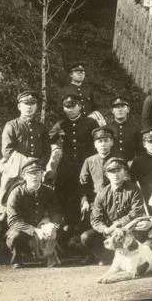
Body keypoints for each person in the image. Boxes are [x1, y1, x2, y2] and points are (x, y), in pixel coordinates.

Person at [0, 90, 57, 266]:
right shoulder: (12, 125)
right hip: (15, 173)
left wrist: (38, 167)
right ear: (19, 106)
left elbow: (47, 150)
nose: (29, 107)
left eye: (32, 104)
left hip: (34, 173)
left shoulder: (41, 127)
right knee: (5, 208)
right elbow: (7, 151)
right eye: (26, 104)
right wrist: (27, 164)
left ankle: (33, 249)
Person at [48, 94, 97, 245]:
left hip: (86, 166)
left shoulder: (91, 122)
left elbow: (100, 141)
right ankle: (67, 234)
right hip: (67, 169)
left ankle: (83, 234)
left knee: (86, 198)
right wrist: (56, 135)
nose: (70, 109)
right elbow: (47, 139)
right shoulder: (61, 124)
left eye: (73, 105)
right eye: (66, 106)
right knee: (66, 199)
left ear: (80, 106)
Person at [80, 157, 145, 264]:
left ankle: (128, 258)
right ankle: (107, 258)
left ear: (124, 172)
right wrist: (105, 229)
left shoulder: (133, 189)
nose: (115, 174)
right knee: (86, 237)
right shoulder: (102, 194)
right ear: (107, 175)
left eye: (118, 170)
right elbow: (96, 219)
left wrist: (118, 224)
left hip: (129, 229)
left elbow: (136, 212)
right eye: (111, 171)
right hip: (109, 232)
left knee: (139, 235)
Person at [5, 161, 63, 268]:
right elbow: (13, 220)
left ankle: (48, 255)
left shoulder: (49, 192)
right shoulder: (16, 193)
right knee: (15, 237)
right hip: (23, 230)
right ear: (24, 176)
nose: (34, 177)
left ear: (42, 175)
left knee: (59, 231)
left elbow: (56, 212)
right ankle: (18, 257)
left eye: (38, 173)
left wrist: (53, 225)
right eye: (30, 174)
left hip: (43, 226)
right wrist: (34, 230)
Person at [79, 128, 114, 231]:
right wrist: (84, 201)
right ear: (95, 144)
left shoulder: (118, 159)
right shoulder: (89, 161)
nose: (103, 144)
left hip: (115, 201)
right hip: (95, 201)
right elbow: (83, 185)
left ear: (111, 142)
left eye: (106, 141)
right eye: (99, 141)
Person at [105, 96, 142, 161]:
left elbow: (141, 150)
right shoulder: (106, 128)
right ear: (112, 111)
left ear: (128, 110)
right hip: (111, 165)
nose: (120, 109)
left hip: (131, 165)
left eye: (122, 107)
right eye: (116, 107)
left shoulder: (136, 128)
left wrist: (134, 162)